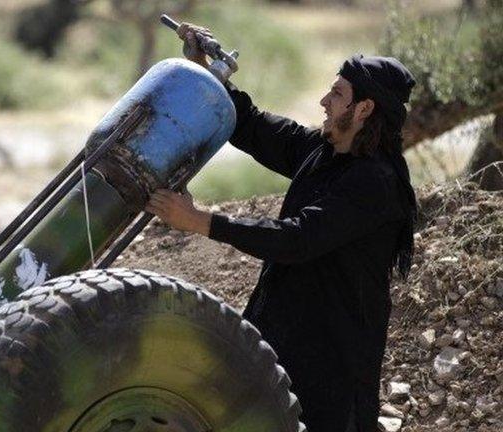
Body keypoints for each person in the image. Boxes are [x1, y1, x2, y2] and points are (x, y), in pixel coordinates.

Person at [144, 23, 418, 432]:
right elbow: (252, 125)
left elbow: (297, 238)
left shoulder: (375, 183)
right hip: (280, 347)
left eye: (338, 94)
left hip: (330, 373)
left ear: (364, 110)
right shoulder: (321, 151)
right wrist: (205, 71)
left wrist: (201, 222)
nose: (324, 101)